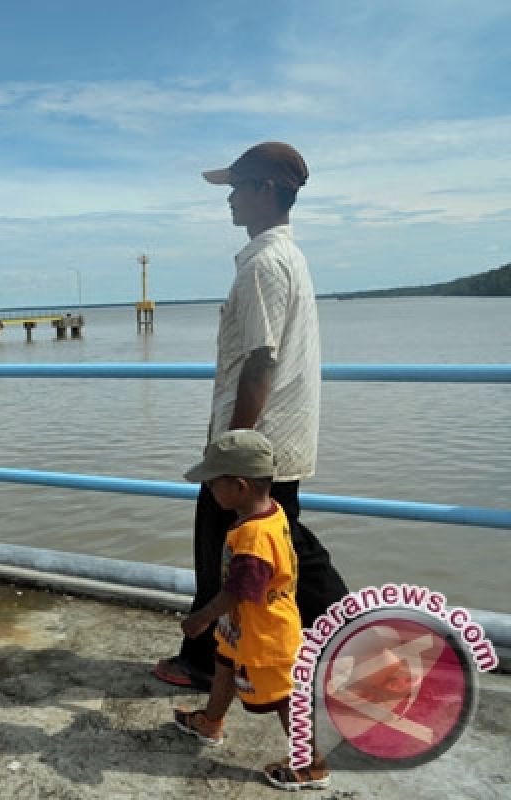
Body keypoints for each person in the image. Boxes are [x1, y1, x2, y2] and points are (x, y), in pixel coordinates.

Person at [154, 142, 347, 691]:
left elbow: (259, 362)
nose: (230, 201)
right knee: (285, 546)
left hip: (256, 446)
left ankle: (200, 659)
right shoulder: (287, 256)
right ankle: (342, 635)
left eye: (237, 188)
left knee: (223, 549)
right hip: (277, 439)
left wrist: (231, 448)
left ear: (265, 190)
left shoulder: (264, 263)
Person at [172, 429, 329, 790]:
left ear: (239, 487)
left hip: (267, 635)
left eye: (213, 484)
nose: (209, 491)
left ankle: (312, 763)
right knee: (224, 666)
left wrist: (201, 618)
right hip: (242, 628)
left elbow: (239, 591)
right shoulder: (270, 514)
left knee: (282, 697)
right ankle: (210, 722)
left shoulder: (256, 537)